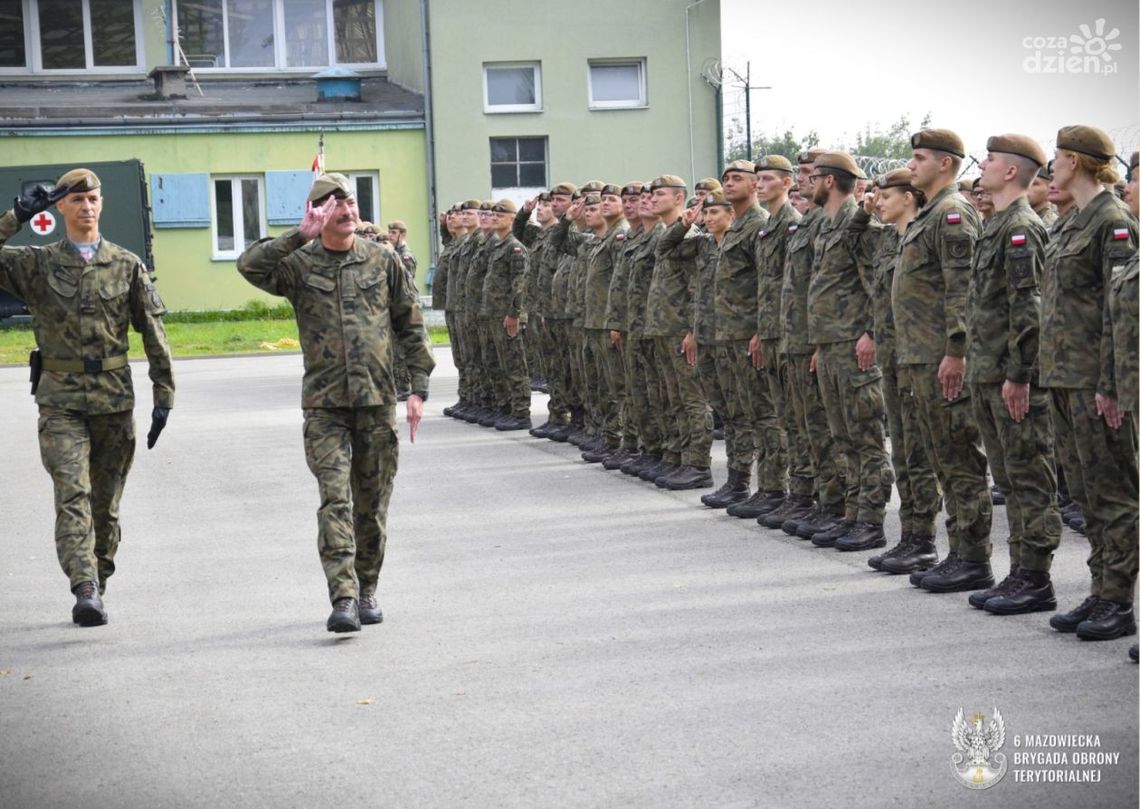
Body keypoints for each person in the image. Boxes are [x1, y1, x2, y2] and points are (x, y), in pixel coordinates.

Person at [236, 172, 434, 633]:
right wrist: (294, 237)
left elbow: (411, 326)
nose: (345, 211)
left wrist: (419, 389)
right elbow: (249, 266)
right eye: (333, 205)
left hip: (376, 401)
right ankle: (342, 597)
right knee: (334, 500)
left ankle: (367, 588)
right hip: (325, 406)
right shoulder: (299, 265)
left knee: (372, 505)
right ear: (316, 214)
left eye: (349, 203)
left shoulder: (383, 261)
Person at [0, 168, 174, 626]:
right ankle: (84, 587)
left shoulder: (125, 264)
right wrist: (15, 215)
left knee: (105, 504)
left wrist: (164, 393)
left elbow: (153, 333)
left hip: (114, 402)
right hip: (60, 402)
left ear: (102, 204)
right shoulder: (37, 264)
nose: (86, 207)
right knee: (72, 493)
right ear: (61, 207)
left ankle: (99, 576)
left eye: (92, 198)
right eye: (76, 200)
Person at [1040, 127, 1138, 643]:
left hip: (1093, 382)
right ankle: (1100, 590)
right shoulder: (1071, 221)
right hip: (1062, 377)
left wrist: (1109, 381)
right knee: (1082, 491)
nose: (1051, 167)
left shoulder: (1111, 220)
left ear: (1075, 161)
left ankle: (1118, 601)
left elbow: (1117, 313)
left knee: (1112, 493)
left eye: (1056, 157)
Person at [963, 135, 1062, 615]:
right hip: (988, 371)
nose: (981, 165)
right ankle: (1019, 570)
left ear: (1009, 173)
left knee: (1028, 477)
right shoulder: (995, 223)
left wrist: (1020, 374)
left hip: (1011, 375)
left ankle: (1036, 577)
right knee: (1008, 474)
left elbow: (1029, 308)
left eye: (990, 160)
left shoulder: (1021, 226)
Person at [895, 129, 994, 594]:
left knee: (960, 461)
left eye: (919, 158)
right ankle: (958, 552)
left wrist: (957, 351)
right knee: (941, 459)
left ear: (946, 164)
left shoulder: (952, 214)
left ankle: (973, 558)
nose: (911, 166)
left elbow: (963, 290)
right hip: (920, 357)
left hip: (942, 359)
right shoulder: (928, 215)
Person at [850, 169, 942, 573]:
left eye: (885, 195)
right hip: (894, 357)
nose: (877, 202)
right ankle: (910, 537)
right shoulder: (889, 239)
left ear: (909, 196)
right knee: (903, 452)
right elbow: (849, 243)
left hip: (922, 357)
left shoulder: (925, 234)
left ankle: (924, 540)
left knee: (922, 453)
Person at [805, 151, 893, 552]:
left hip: (853, 347)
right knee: (842, 436)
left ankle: (872, 520)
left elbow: (878, 283)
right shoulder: (828, 226)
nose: (806, 183)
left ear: (830, 181)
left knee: (866, 437)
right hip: (830, 345)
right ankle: (853, 512)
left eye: (813, 176)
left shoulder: (860, 226)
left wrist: (871, 333)